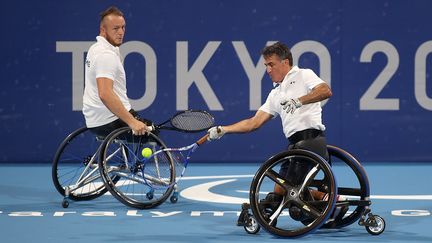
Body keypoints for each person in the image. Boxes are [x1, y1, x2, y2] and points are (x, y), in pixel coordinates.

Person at [208, 42, 344, 222]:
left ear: (285, 62)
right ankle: (330, 199)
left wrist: (299, 101)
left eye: (271, 64)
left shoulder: (304, 74)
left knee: (293, 199)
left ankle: (329, 205)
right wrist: (224, 130)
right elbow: (253, 123)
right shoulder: (275, 94)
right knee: (279, 192)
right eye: (266, 65)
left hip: (311, 142)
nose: (268, 70)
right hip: (295, 147)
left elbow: (325, 90)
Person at [83, 6, 151, 137]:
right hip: (110, 120)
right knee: (151, 132)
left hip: (94, 121)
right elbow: (105, 93)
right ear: (103, 30)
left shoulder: (95, 48)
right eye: (115, 28)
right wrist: (132, 122)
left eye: (123, 27)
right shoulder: (106, 55)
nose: (121, 32)